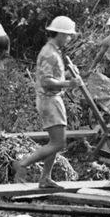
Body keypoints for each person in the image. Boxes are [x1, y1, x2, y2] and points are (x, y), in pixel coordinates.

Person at [12, 16, 83, 188]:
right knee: (59, 143)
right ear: (59, 33)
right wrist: (69, 83)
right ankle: (22, 164)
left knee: (54, 142)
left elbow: (53, 77)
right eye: (67, 35)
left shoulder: (54, 51)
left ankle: (45, 178)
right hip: (49, 100)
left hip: (52, 99)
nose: (69, 39)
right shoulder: (49, 53)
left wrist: (67, 75)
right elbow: (45, 81)